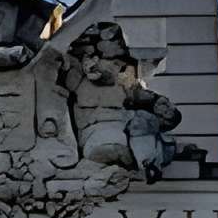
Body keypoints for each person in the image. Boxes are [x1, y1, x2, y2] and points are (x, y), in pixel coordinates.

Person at [55, 21, 180, 182]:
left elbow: (138, 93)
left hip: (119, 124)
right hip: (96, 129)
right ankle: (138, 161)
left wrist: (157, 101)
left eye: (114, 61)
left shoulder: (123, 79)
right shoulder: (79, 75)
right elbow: (65, 75)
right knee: (109, 146)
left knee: (143, 124)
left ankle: (147, 163)